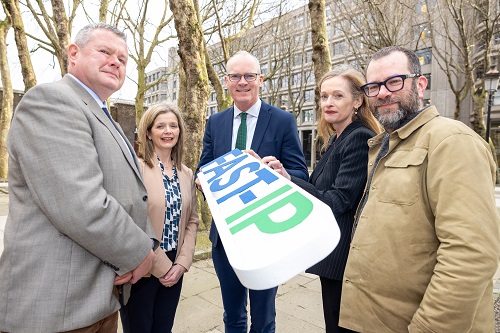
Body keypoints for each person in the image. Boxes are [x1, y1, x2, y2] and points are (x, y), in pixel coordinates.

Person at [0, 23, 158, 332]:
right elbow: (82, 204)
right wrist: (141, 254)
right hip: (54, 308)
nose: (116, 61)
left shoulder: (101, 114)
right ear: (74, 53)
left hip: (98, 301)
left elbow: (128, 194)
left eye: (123, 59)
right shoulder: (51, 101)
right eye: (105, 51)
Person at [338, 46, 500, 332]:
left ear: (420, 84)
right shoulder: (384, 145)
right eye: (373, 86)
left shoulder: (452, 141)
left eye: (394, 82)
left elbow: (470, 255)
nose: (383, 93)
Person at [259, 65, 380, 333]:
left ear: (358, 101)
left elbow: (338, 200)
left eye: (338, 96)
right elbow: (317, 187)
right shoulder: (337, 138)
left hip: (345, 256)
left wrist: (288, 181)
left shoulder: (359, 138)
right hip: (332, 254)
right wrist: (285, 175)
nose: (328, 102)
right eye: (324, 96)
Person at [196, 50, 309, 332]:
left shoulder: (283, 120)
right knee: (232, 315)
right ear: (226, 81)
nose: (242, 82)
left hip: (266, 236)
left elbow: (301, 174)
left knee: (263, 318)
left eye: (249, 76)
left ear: (260, 79)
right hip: (226, 236)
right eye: (235, 76)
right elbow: (203, 169)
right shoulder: (215, 122)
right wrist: (201, 181)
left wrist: (282, 173)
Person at [120, 102, 200, 332]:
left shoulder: (186, 173)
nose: (168, 131)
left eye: (173, 126)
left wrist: (182, 264)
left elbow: (192, 221)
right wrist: (163, 266)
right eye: (160, 126)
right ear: (148, 132)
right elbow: (131, 220)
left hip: (175, 266)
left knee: (164, 328)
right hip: (143, 266)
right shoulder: (136, 168)